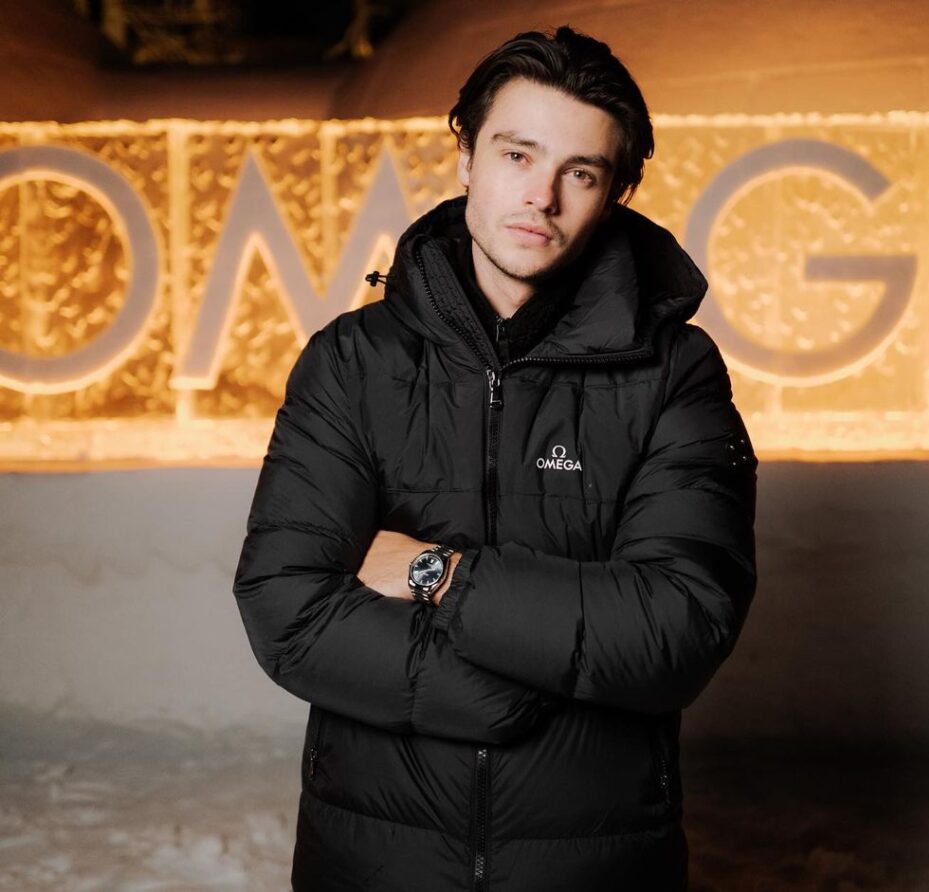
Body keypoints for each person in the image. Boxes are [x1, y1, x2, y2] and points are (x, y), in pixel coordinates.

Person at [233, 25, 758, 892]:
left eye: (580, 173)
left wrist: (438, 573)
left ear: (616, 192)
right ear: (467, 155)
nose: (541, 197)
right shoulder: (352, 361)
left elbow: (679, 625)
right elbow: (287, 605)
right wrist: (518, 698)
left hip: (597, 867)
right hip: (374, 861)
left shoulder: (675, 372)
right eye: (518, 154)